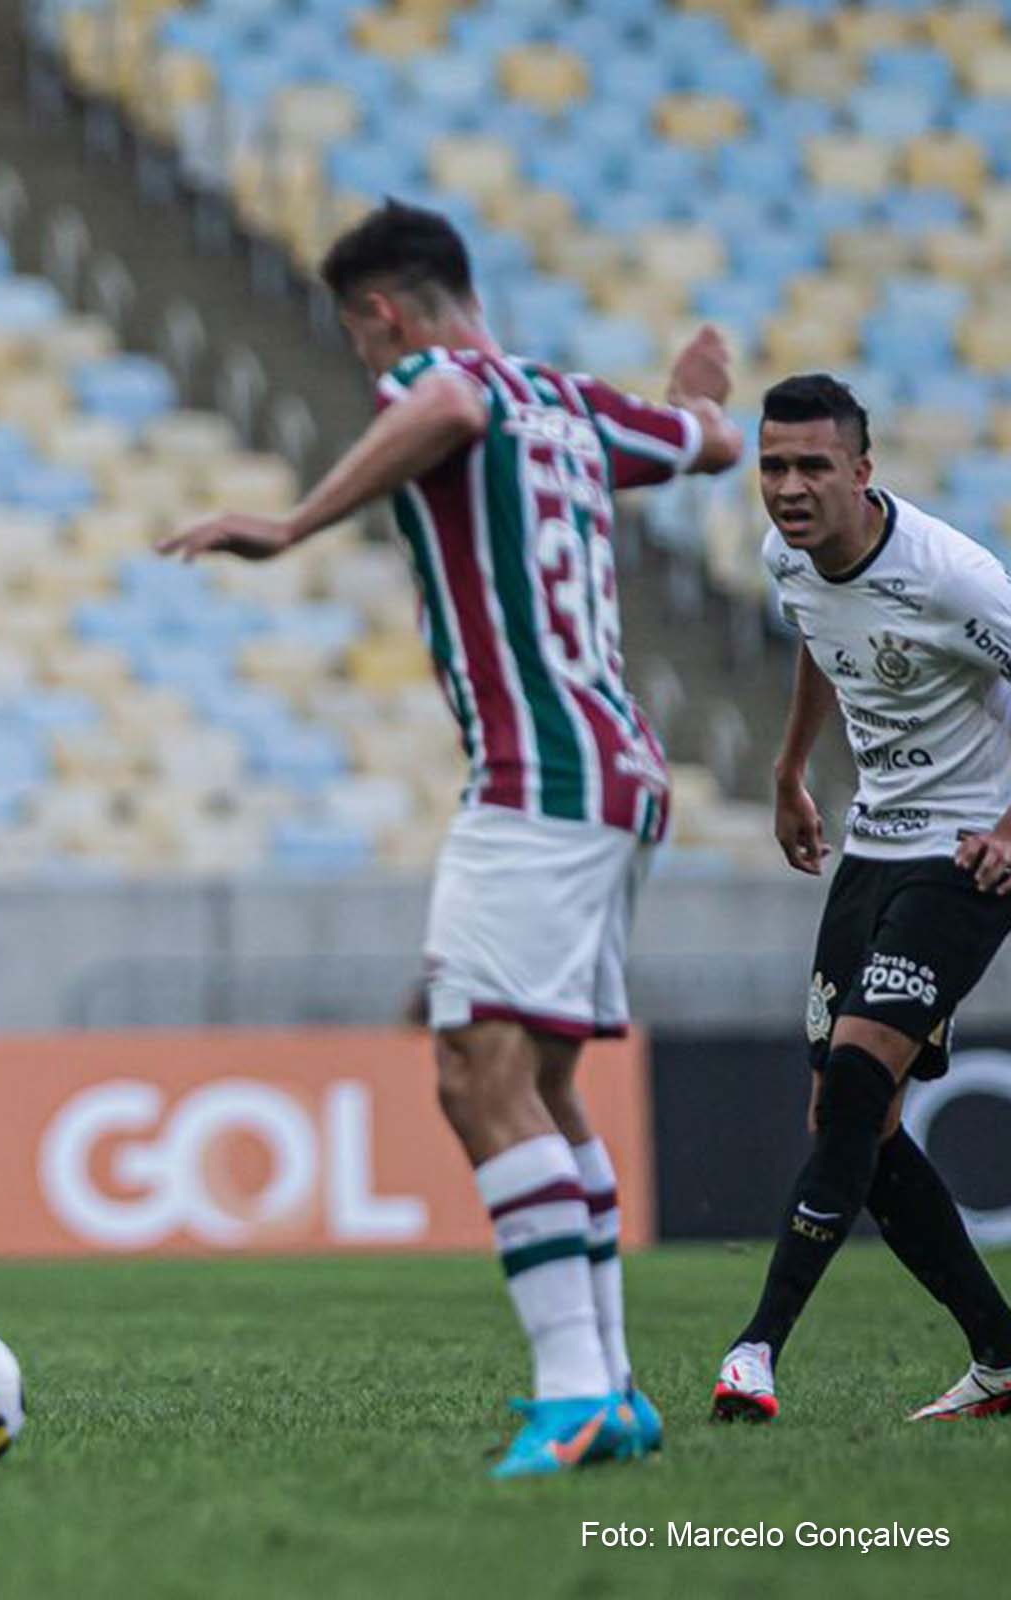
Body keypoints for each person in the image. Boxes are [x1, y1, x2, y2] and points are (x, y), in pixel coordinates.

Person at [159, 200, 742, 1477]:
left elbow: (447, 412)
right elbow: (714, 442)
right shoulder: (574, 401)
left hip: (536, 779)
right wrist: (698, 404)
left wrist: (293, 524)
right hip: (620, 772)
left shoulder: (445, 378)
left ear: (383, 311)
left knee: (474, 1075)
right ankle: (616, 1389)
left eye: (362, 344)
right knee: (538, 1082)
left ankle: (574, 1394)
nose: (374, 373)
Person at [712, 374, 1011, 1425]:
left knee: (851, 1081)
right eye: (773, 465)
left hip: (963, 859)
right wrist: (792, 770)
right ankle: (1003, 1353)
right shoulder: (786, 556)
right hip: (873, 844)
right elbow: (818, 638)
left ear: (862, 472)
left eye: (812, 467)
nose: (788, 488)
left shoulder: (953, 578)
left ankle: (756, 1348)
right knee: (857, 1119)